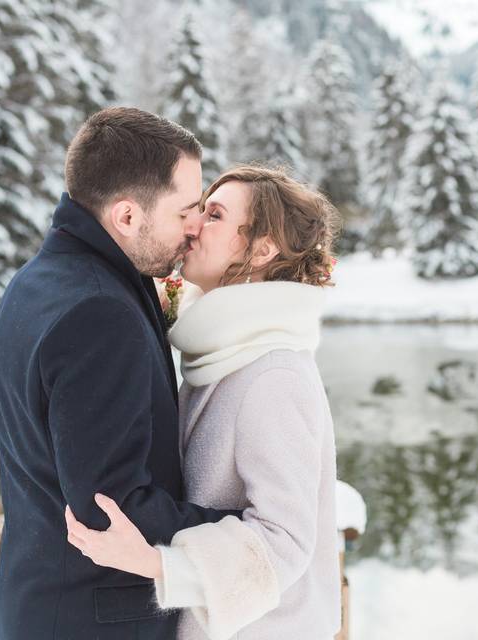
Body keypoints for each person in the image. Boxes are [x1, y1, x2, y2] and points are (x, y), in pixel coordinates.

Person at [0, 107, 241, 639]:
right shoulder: (99, 312)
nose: (195, 227)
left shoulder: (36, 282)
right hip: (92, 622)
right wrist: (241, 531)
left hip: (37, 606)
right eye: (185, 211)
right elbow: (111, 506)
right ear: (127, 216)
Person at [65, 165, 343, 640]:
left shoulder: (273, 374)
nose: (193, 225)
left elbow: (286, 539)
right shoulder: (221, 354)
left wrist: (157, 562)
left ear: (262, 248)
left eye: (214, 215)